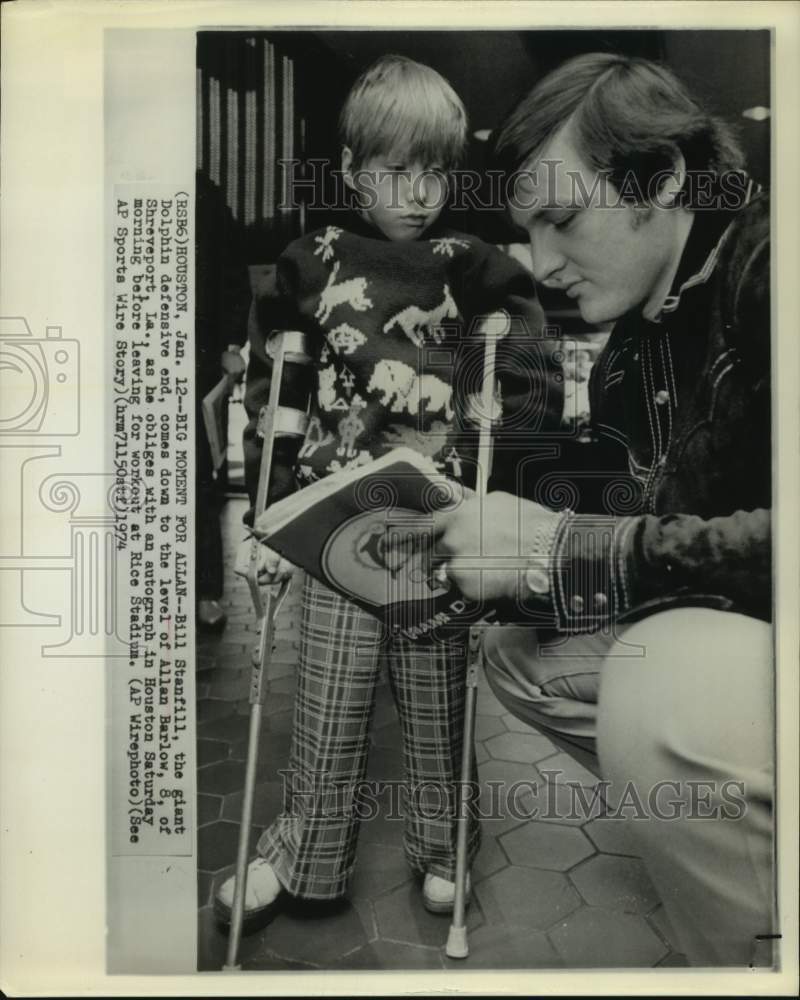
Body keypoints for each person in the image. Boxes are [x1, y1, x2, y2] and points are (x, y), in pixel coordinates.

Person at [431, 53, 772, 966]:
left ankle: (757, 953)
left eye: (564, 218)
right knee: (522, 655)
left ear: (661, 178)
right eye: (527, 231)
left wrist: (565, 551)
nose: (542, 266)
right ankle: (726, 840)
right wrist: (488, 557)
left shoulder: (769, 266)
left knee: (665, 692)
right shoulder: (632, 348)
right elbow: (645, 518)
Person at [215, 55, 562, 923]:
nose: (418, 191)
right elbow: (276, 389)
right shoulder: (311, 263)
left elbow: (527, 374)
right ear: (351, 170)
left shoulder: (476, 266)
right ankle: (304, 855)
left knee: (439, 702)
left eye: (436, 170)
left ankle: (445, 848)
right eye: (395, 169)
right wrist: (269, 509)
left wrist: (500, 436)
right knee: (328, 699)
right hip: (337, 520)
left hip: (438, 522)